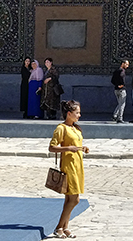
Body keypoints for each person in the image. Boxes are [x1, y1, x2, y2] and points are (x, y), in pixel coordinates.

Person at [48, 100, 89, 239]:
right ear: (69, 113)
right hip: (68, 166)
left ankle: (65, 227)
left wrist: (82, 148)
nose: (79, 115)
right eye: (77, 113)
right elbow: (52, 147)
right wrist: (67, 148)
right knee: (75, 199)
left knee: (69, 199)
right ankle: (59, 226)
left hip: (78, 164)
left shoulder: (75, 128)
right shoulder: (61, 128)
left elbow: (75, 144)